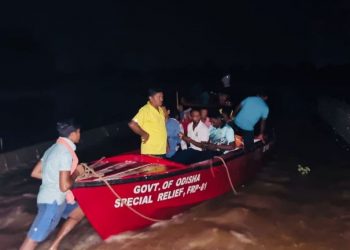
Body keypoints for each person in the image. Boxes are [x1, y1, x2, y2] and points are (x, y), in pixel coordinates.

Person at [20, 120, 85, 250]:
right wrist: (77, 171)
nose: (79, 135)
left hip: (56, 199)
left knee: (79, 211)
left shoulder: (52, 149)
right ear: (73, 134)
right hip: (52, 202)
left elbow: (35, 172)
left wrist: (58, 179)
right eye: (79, 132)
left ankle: (54, 246)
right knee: (33, 239)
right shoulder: (65, 153)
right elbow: (65, 186)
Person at [128, 88, 167, 157]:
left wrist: (166, 144)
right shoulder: (145, 110)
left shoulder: (161, 110)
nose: (162, 99)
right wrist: (144, 134)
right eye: (159, 97)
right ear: (151, 98)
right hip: (151, 152)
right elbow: (132, 124)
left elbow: (162, 129)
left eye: (162, 97)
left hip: (161, 150)